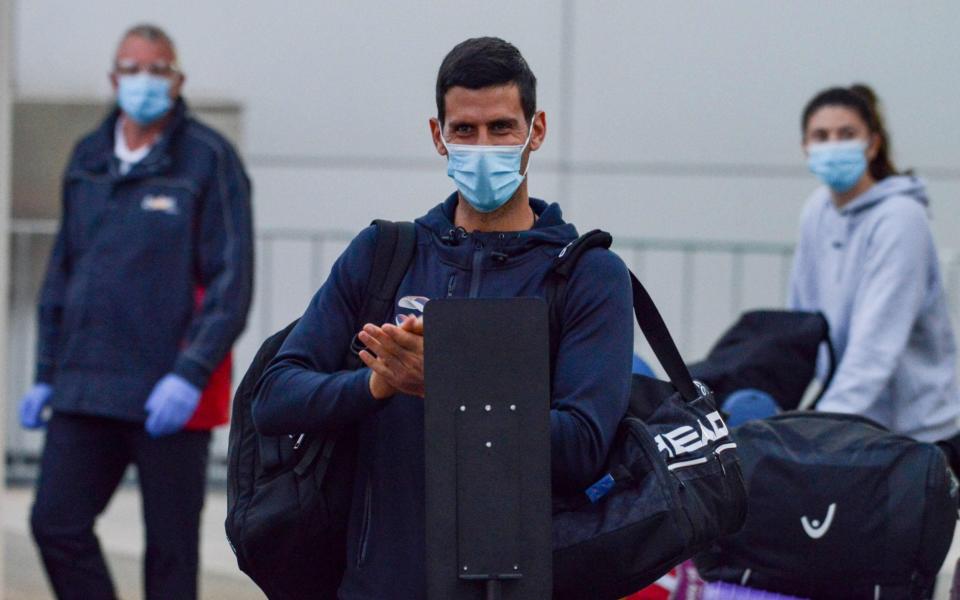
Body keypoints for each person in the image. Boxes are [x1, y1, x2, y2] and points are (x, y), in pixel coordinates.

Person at [252, 37, 633, 598]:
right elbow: (275, 398)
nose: (483, 147)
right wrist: (377, 385)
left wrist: (445, 383)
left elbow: (581, 448)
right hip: (376, 583)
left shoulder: (587, 275)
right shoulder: (385, 253)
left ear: (537, 130)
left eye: (502, 128)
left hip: (518, 585)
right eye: (464, 130)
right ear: (438, 135)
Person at [19, 24, 253, 600]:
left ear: (177, 80)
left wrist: (189, 373)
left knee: (170, 555)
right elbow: (61, 272)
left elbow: (232, 278)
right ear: (113, 78)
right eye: (131, 69)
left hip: (168, 394)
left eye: (157, 70)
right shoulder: (89, 157)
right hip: (86, 387)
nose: (143, 82)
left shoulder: (207, 159)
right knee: (55, 524)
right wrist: (46, 375)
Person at [788, 84, 960, 442]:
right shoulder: (816, 209)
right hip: (851, 425)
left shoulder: (900, 218)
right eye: (821, 135)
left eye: (846, 134)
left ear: (873, 144)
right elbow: (801, 321)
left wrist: (820, 427)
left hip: (915, 434)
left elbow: (877, 344)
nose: (833, 144)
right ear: (805, 146)